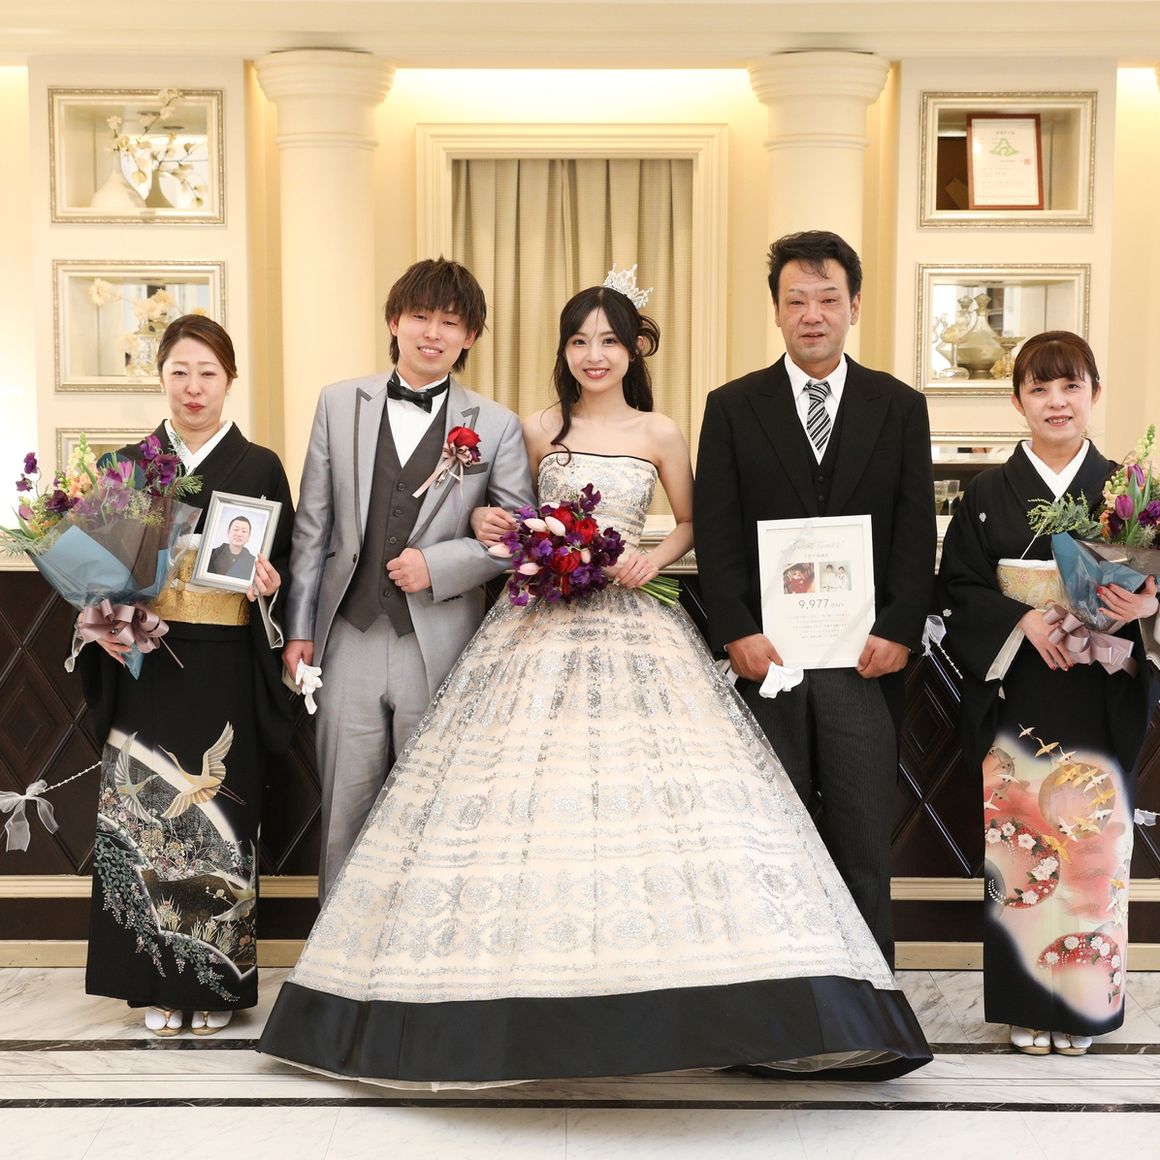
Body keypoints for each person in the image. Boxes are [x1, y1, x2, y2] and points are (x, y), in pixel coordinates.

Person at [258, 276, 931, 1086]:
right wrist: (494, 525)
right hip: (535, 627)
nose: (594, 354)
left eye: (609, 340)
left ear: (634, 349)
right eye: (580, 340)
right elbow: (504, 515)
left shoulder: (662, 429)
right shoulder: (534, 427)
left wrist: (652, 555)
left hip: (635, 624)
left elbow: (698, 521)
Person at [694, 230, 936, 965]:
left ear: (854, 307)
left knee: (864, 844)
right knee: (773, 843)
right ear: (775, 310)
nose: (812, 314)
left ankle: (871, 1007)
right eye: (796, 300)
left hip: (865, 660)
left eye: (828, 299)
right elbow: (717, 530)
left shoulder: (899, 406)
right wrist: (736, 629)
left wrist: (900, 627)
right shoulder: (733, 407)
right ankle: (787, 1006)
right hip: (768, 660)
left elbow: (915, 528)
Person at [281, 258, 535, 900]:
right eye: (421, 316)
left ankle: (422, 951)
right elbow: (313, 525)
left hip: (442, 643)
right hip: (349, 637)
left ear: (469, 336)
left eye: (450, 322)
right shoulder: (339, 403)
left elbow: (521, 540)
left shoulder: (497, 424)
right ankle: (336, 955)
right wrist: (299, 630)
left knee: (433, 812)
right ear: (395, 321)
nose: (433, 333)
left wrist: (440, 565)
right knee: (345, 811)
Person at [938, 330, 1158, 1056]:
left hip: (1101, 695)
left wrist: (1145, 607)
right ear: (1017, 402)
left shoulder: (1131, 491)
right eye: (1039, 388)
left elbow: (1155, 585)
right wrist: (1023, 619)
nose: (1056, 401)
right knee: (1021, 847)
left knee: (1094, 853)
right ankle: (1026, 1001)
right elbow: (958, 587)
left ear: (1095, 393)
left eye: (1071, 386)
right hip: (1021, 693)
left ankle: (1086, 1005)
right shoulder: (984, 495)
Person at [79, 314, 296, 1037]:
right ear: (162, 377)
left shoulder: (259, 466)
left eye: (208, 372)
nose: (193, 387)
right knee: (144, 817)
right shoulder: (127, 464)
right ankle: (155, 982)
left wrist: (270, 583)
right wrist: (106, 624)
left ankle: (215, 982)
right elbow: (95, 578)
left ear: (230, 379)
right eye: (180, 371)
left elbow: (287, 567)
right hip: (145, 664)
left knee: (220, 820)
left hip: (227, 662)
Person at [207, 515, 257, 581]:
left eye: (244, 531)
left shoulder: (253, 563)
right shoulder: (210, 554)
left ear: (248, 537)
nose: (239, 534)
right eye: (236, 530)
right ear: (228, 532)